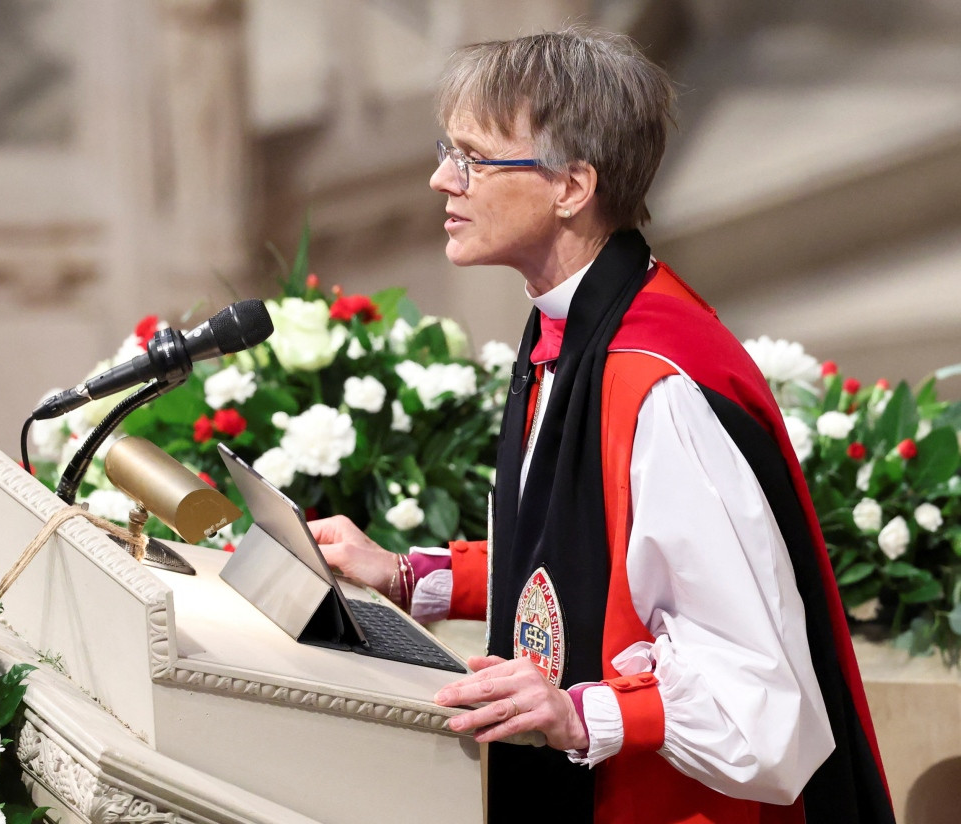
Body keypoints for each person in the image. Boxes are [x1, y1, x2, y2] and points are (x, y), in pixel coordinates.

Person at [309, 27, 894, 823]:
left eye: (474, 158)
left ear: (571, 186)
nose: (442, 179)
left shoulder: (655, 384)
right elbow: (593, 560)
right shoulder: (572, 328)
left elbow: (759, 701)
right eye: (448, 150)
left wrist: (580, 714)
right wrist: (412, 576)